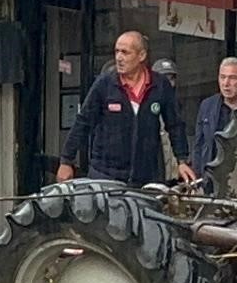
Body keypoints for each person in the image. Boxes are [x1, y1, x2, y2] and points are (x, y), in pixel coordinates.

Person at [59, 31, 191, 185]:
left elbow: (175, 125)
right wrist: (66, 161)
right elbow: (83, 122)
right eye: (116, 51)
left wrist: (182, 160)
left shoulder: (160, 85)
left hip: (146, 177)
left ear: (141, 56)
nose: (119, 58)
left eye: (125, 52)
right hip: (105, 175)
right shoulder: (105, 84)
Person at [185, 55, 237, 183]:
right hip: (210, 179)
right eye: (222, 77)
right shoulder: (207, 105)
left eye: (232, 78)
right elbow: (199, 144)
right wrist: (198, 176)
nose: (226, 83)